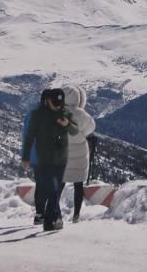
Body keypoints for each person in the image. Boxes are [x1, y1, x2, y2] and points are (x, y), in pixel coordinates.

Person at [21, 87, 80, 231]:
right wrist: (26, 157)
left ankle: (50, 217)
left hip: (60, 159)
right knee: (52, 189)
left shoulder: (65, 113)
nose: (57, 106)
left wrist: (67, 124)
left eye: (59, 103)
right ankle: (49, 219)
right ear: (47, 101)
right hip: (43, 159)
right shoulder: (37, 115)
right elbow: (29, 137)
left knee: (55, 188)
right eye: (55, 103)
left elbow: (75, 131)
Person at [61, 85, 97, 223]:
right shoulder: (82, 115)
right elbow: (91, 128)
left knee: (60, 183)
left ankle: (53, 209)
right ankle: (76, 214)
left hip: (62, 153)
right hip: (80, 154)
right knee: (78, 185)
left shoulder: (59, 113)